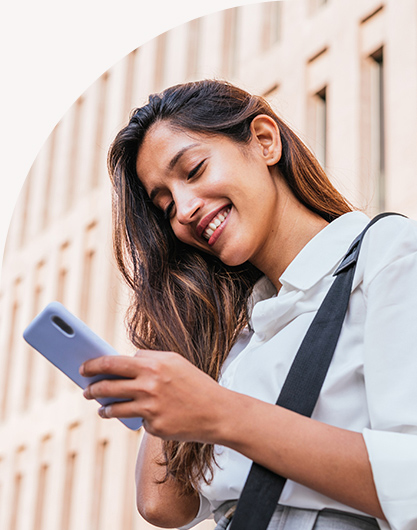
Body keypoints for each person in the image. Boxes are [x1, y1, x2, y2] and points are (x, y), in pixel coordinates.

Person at [80, 79, 417, 530]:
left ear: (264, 141)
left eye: (194, 170)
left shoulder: (389, 253)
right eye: (165, 206)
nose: (182, 210)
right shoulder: (236, 337)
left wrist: (221, 413)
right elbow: (163, 504)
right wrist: (176, 338)